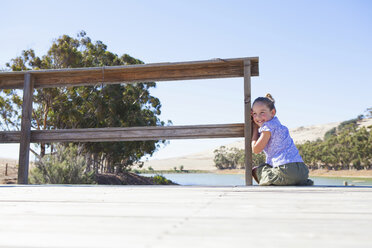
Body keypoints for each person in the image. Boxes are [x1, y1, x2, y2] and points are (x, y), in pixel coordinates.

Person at [251, 93, 313, 186]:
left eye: (262, 112)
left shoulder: (267, 127)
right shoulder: (279, 126)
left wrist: (255, 129)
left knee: (257, 170)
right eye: (254, 114)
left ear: (272, 112)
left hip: (286, 170)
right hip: (302, 171)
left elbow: (256, 149)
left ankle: (271, 184)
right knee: (269, 167)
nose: (258, 117)